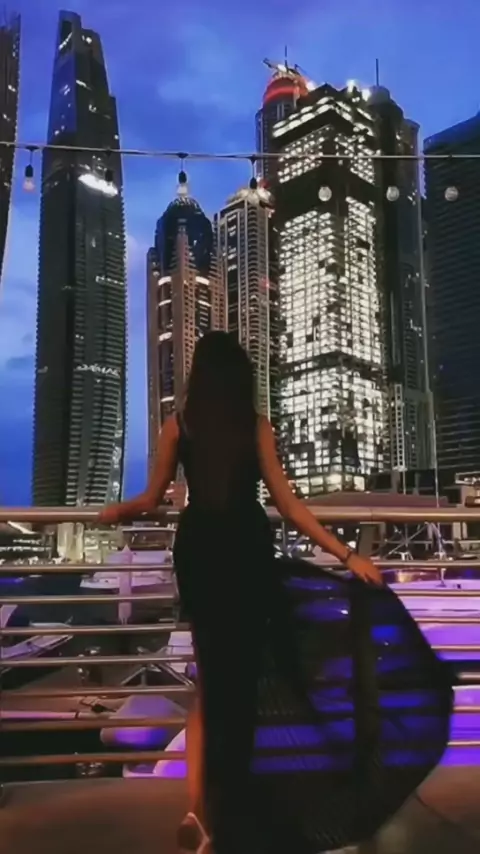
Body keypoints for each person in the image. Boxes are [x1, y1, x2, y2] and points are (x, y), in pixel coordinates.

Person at [98, 332, 453, 854]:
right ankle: (239, 803)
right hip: (246, 552)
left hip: (201, 553)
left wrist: (116, 512)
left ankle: (198, 811)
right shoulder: (256, 427)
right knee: (244, 683)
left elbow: (152, 498)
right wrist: (347, 555)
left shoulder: (179, 425)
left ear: (200, 377)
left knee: (210, 684)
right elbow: (288, 505)